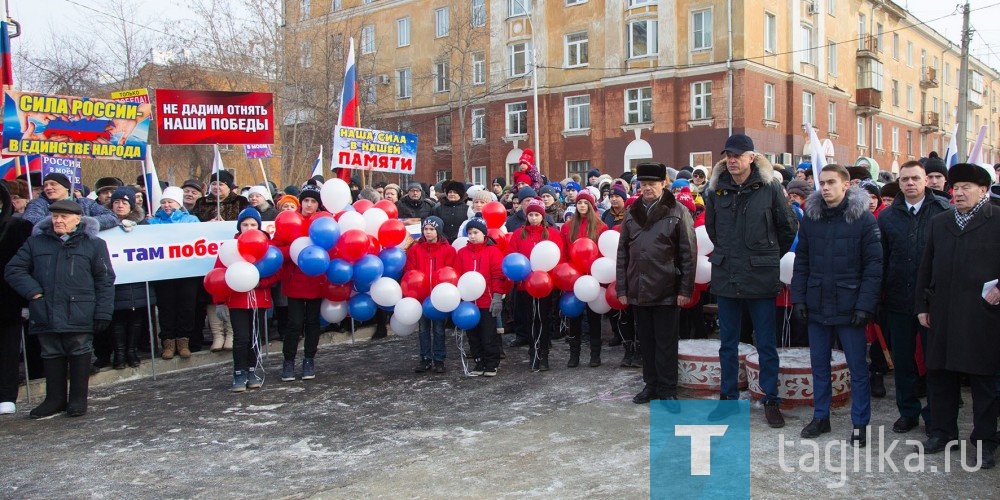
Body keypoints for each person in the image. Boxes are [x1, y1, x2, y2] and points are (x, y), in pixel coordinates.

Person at [704, 134, 798, 427]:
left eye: (737, 155)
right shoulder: (716, 189)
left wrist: (765, 255)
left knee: (766, 343)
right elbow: (712, 228)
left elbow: (788, 227)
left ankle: (771, 399)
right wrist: (733, 254)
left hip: (760, 275)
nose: (732, 160)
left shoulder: (769, 187)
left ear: (751, 158)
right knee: (727, 343)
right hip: (727, 273)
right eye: (728, 155)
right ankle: (728, 398)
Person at [915, 163, 1000, 468]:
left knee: (983, 381)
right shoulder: (941, 222)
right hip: (943, 313)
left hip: (982, 316)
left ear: (984, 191)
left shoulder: (997, 219)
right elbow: (926, 265)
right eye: (956, 187)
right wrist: (922, 306)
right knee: (939, 375)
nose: (959, 192)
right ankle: (942, 433)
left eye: (966, 187)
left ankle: (985, 440)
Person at [791, 164, 882, 446]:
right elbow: (801, 262)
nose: (826, 187)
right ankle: (821, 417)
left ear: (846, 185)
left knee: (857, 367)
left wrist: (864, 306)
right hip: (818, 301)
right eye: (822, 183)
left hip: (850, 303)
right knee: (819, 365)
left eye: (831, 182)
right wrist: (799, 298)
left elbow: (874, 266)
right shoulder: (811, 219)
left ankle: (860, 423)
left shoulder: (864, 220)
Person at [5, 200, 115, 418]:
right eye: (55, 216)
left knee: (79, 350)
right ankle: (54, 399)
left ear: (77, 220)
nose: (58, 221)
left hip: (80, 309)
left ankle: (77, 400)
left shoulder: (94, 244)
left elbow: (104, 280)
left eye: (64, 217)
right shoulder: (35, 243)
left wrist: (103, 312)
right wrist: (33, 292)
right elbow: (14, 269)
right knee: (51, 351)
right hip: (45, 309)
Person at [877, 160, 951, 434]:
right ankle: (908, 412)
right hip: (897, 299)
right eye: (905, 179)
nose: (910, 183)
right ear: (899, 182)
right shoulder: (887, 216)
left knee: (933, 363)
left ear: (925, 181)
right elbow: (881, 260)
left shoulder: (942, 211)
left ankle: (934, 415)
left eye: (915, 178)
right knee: (903, 361)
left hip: (932, 302)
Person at [616, 163, 696, 408]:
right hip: (638, 288)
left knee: (666, 342)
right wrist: (622, 288)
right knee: (646, 341)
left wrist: (684, 290)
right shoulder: (632, 212)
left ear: (664, 184)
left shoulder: (678, 211)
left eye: (652, 183)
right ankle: (650, 384)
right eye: (644, 184)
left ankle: (667, 388)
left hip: (666, 289)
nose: (648, 188)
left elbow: (688, 254)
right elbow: (622, 254)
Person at [213, 208, 282, 392]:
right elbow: (218, 274)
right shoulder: (230, 247)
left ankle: (252, 370)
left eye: (253, 224)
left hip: (259, 298)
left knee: (255, 337)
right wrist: (219, 301)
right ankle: (239, 373)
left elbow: (275, 273)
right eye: (245, 224)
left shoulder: (265, 246)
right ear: (239, 226)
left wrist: (260, 281)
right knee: (241, 337)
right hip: (237, 300)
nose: (249, 228)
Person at [95, 187, 155, 371]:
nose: (120, 206)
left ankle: (131, 351)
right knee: (117, 317)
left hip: (136, 278)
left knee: (136, 317)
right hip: (113, 278)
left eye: (124, 202)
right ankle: (119, 353)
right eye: (116, 202)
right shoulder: (102, 224)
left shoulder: (142, 225)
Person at [507, 198, 563, 371]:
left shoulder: (552, 234)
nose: (533, 218)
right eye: (530, 214)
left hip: (545, 285)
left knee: (544, 319)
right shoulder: (518, 234)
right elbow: (512, 256)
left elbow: (558, 257)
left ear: (543, 216)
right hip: (525, 285)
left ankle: (544, 354)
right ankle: (533, 353)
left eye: (537, 214)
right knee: (530, 320)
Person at [279, 186, 328, 381]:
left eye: (313, 201)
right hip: (295, 280)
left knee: (313, 322)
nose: (309, 205)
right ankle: (288, 360)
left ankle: (309, 359)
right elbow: (277, 247)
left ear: (318, 204)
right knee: (294, 323)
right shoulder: (289, 220)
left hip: (317, 280)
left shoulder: (324, 222)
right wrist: (294, 251)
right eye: (306, 201)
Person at [148, 187, 201, 359]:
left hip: (187, 272)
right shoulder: (152, 222)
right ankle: (168, 342)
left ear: (178, 203)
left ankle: (184, 340)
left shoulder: (191, 220)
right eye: (163, 202)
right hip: (163, 273)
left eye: (170, 202)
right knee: (166, 307)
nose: (167, 205)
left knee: (187, 307)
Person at [455, 215, 510, 377]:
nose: (472, 236)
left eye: (476, 232)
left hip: (487, 301)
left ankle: (492, 363)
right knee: (473, 335)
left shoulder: (492, 251)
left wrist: (498, 296)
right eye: (469, 233)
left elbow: (498, 275)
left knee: (488, 334)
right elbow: (458, 275)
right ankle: (479, 361)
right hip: (469, 303)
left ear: (484, 234)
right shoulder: (462, 253)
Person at [561, 190, 608, 367]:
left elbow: (604, 252)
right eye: (579, 202)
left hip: (593, 278)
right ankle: (574, 355)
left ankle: (595, 355)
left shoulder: (600, 227)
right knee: (574, 317)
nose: (581, 205)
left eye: (585, 203)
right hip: (573, 278)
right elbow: (564, 253)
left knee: (594, 317)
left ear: (591, 206)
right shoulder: (567, 227)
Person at [404, 216, 455, 373]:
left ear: (438, 231)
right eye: (425, 229)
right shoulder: (415, 250)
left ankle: (439, 359)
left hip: (440, 298)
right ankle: (425, 358)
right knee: (423, 329)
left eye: (431, 229)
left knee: (439, 329)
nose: (428, 232)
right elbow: (409, 272)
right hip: (421, 297)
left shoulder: (448, 250)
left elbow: (452, 271)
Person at [0, 182, 33, 415]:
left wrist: (25, 301)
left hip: (7, 301)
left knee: (8, 351)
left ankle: (6, 395)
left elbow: (28, 267)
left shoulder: (18, 226)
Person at [23, 173, 120, 231]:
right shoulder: (38, 203)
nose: (48, 188)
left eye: (53, 184)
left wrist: (79, 222)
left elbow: (111, 217)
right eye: (45, 185)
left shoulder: (85, 203)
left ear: (66, 187)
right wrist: (64, 223)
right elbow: (30, 220)